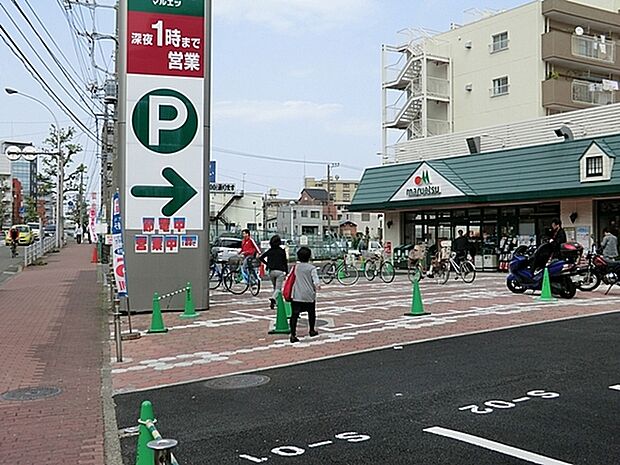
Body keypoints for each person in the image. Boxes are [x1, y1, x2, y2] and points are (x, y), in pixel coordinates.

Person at [289, 246, 320, 343]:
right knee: (311, 313)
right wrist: (317, 287)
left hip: (297, 294)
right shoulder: (312, 268)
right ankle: (311, 330)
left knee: (294, 315)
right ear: (309, 256)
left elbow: (289, 278)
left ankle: (293, 334)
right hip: (309, 295)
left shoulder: (295, 267)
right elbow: (316, 282)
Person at [259, 234, 288, 309]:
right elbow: (285, 261)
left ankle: (276, 303)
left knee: (275, 288)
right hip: (280, 271)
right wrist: (286, 271)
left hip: (271, 271)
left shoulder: (270, 251)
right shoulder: (282, 251)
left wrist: (267, 264)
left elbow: (261, 257)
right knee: (278, 289)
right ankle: (273, 298)